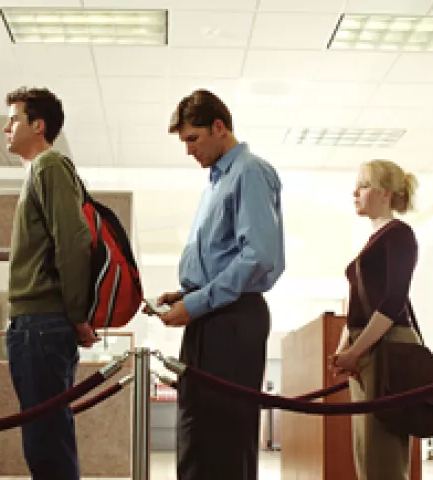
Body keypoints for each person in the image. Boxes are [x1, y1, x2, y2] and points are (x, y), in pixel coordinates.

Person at [148, 89, 285, 480]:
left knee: (224, 442)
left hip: (232, 318)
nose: (189, 150)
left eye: (193, 138)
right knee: (197, 435)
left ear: (219, 127)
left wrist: (196, 302)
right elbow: (222, 257)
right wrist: (186, 295)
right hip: (209, 314)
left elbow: (257, 256)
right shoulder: (216, 182)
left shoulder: (250, 172)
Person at [2, 86, 99, 480]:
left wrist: (78, 314)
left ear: (38, 125)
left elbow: (73, 241)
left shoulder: (50, 166)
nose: (6, 127)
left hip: (41, 322)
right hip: (36, 323)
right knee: (45, 437)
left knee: (47, 442)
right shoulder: (40, 170)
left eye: (14, 120)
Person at [329, 159, 419, 480]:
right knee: (367, 450)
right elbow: (358, 306)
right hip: (368, 345)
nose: (355, 193)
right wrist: (346, 346)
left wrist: (355, 350)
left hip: (385, 345)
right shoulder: (376, 239)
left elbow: (393, 301)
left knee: (383, 453)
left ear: (384, 193)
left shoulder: (399, 234)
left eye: (363, 186)